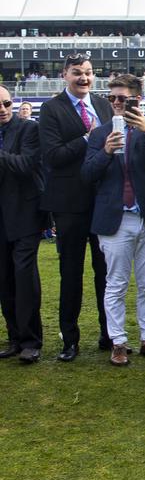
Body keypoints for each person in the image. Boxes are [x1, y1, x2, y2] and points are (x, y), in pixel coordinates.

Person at [81, 73, 145, 366]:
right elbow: (87, 175)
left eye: (123, 98)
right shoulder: (99, 133)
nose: (117, 103)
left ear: (137, 99)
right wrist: (107, 150)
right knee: (116, 283)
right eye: (113, 98)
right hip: (115, 217)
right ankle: (118, 343)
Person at [38, 54, 113, 361]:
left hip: (103, 201)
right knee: (71, 274)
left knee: (106, 273)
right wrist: (89, 137)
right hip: (69, 204)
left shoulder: (104, 105)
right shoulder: (51, 108)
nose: (84, 78)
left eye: (88, 73)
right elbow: (53, 156)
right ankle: (70, 340)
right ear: (64, 76)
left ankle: (110, 334)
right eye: (77, 73)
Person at [0, 84, 45, 363]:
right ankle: (15, 338)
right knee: (4, 279)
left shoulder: (29, 129)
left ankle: (31, 341)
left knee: (24, 276)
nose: (2, 110)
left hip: (25, 215)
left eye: (5, 104)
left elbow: (26, 164)